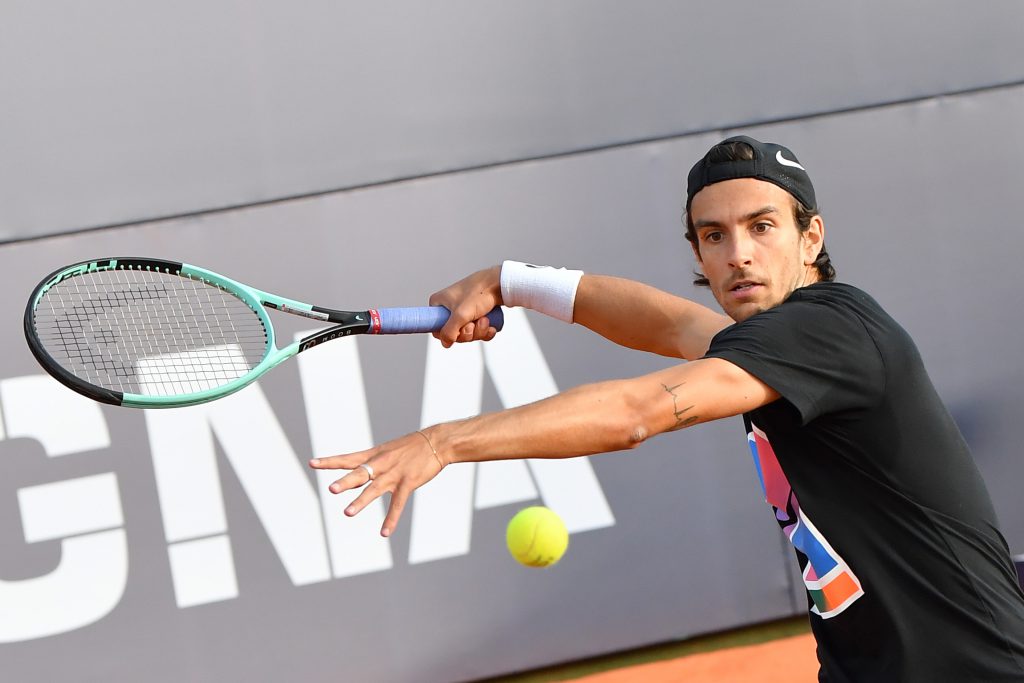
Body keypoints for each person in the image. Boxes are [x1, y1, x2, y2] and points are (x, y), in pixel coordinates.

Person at [309, 136, 1024, 681]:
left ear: (811, 237)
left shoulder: (831, 328)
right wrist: (508, 280)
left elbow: (637, 411)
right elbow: (671, 325)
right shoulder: (772, 347)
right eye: (714, 235)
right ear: (698, 251)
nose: (738, 253)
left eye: (762, 226)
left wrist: (443, 442)